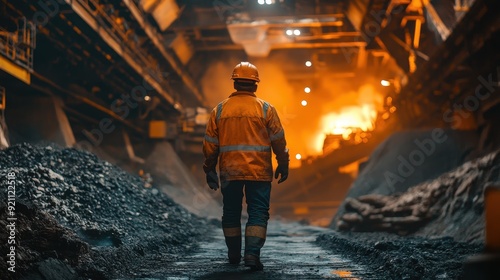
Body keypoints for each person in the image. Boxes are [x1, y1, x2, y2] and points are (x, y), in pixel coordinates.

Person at [202, 62, 289, 271]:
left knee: (231, 212)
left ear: (235, 83)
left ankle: (233, 255)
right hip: (259, 172)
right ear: (255, 85)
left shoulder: (219, 110)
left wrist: (209, 170)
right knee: (258, 212)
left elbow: (210, 145)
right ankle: (251, 255)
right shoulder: (266, 109)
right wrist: (283, 163)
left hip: (229, 171)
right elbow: (279, 140)